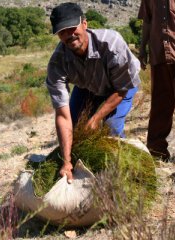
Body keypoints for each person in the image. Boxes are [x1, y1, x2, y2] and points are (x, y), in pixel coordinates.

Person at [46, 2, 140, 183]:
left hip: (120, 85)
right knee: (73, 126)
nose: (69, 35)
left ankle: (123, 170)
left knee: (110, 126)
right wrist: (66, 161)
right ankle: (79, 166)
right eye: (62, 32)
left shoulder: (111, 44)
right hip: (88, 86)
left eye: (72, 28)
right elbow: (62, 116)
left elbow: (121, 89)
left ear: (84, 24)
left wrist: (96, 119)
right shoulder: (57, 63)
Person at [138, 0, 175, 161]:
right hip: (159, 54)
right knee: (160, 105)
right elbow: (147, 21)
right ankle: (156, 152)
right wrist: (142, 48)